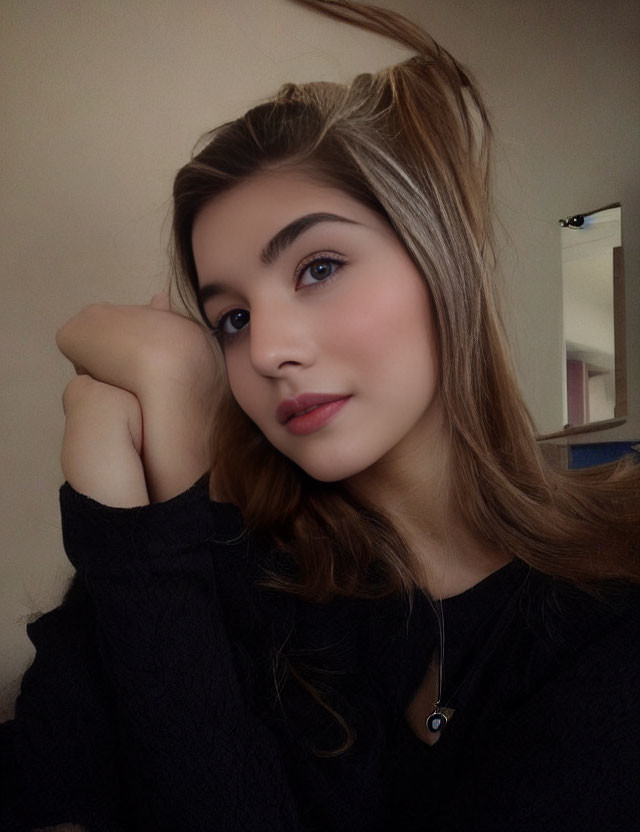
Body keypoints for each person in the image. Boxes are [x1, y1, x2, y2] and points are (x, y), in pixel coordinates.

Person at [1, 1, 639, 830]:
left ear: (440, 257)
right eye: (230, 318)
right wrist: (132, 491)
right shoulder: (195, 556)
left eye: (319, 266)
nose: (265, 350)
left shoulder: (611, 601)